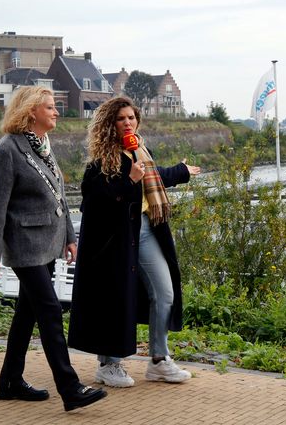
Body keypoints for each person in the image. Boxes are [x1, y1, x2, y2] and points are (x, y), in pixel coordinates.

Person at [0, 86, 107, 411]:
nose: (56, 112)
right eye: (50, 107)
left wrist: (69, 236)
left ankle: (9, 381)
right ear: (31, 112)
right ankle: (70, 389)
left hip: (48, 244)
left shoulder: (40, 146)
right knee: (51, 311)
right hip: (25, 246)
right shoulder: (7, 150)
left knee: (27, 316)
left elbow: (58, 196)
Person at [68, 96, 200, 388]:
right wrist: (128, 180)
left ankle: (158, 360)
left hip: (146, 229)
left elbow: (155, 176)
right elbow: (95, 200)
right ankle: (108, 364)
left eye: (131, 117)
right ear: (109, 125)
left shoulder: (140, 150)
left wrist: (182, 171)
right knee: (116, 297)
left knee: (164, 292)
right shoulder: (101, 161)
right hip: (116, 238)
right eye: (121, 119)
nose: (128, 122)